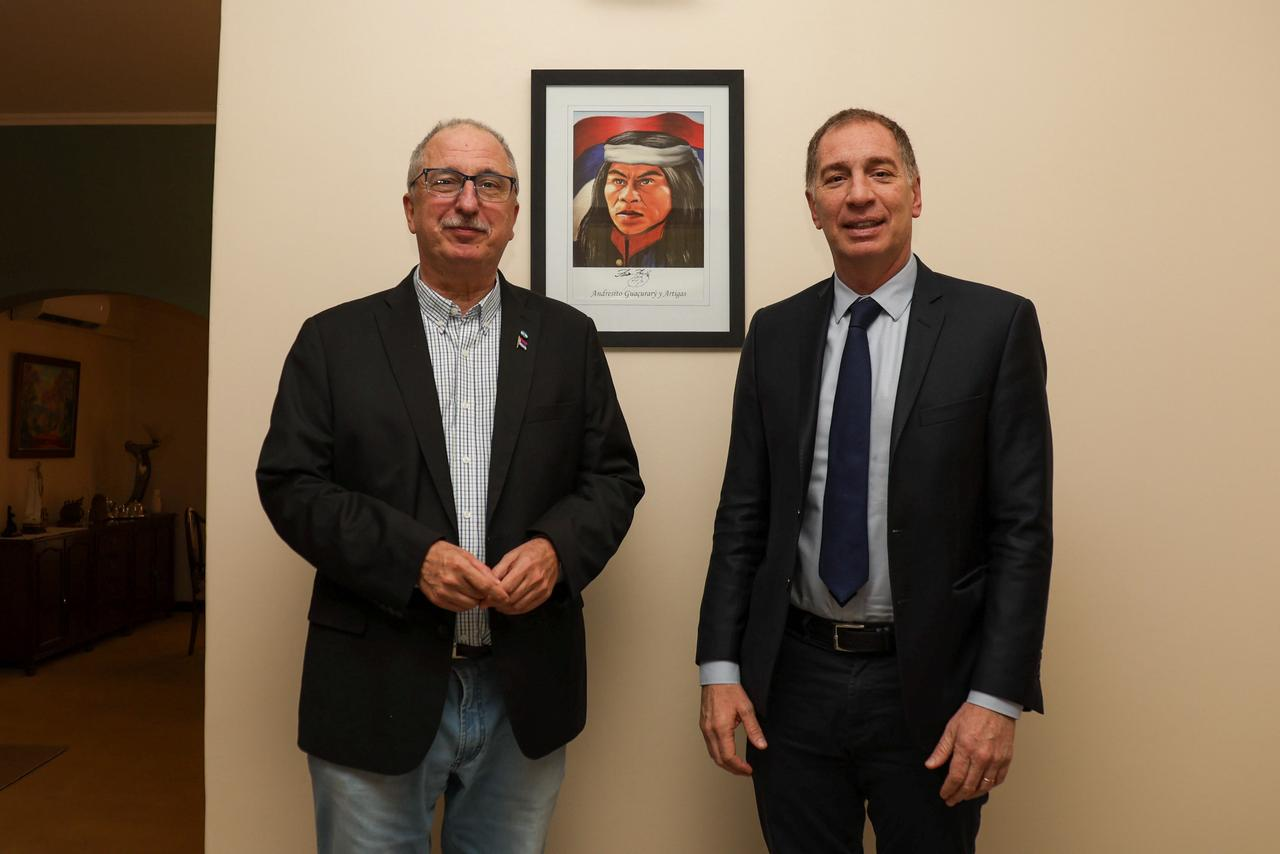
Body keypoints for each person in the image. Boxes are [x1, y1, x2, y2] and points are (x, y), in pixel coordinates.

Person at [257, 118, 644, 854]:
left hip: (523, 691)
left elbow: (614, 479)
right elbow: (291, 484)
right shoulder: (333, 341)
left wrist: (556, 551)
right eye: (446, 181)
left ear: (513, 214)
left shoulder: (567, 338)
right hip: (374, 683)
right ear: (411, 208)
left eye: (489, 184)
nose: (468, 202)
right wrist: (413, 561)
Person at [696, 108, 1052, 853]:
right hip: (792, 681)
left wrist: (997, 698)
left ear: (914, 194)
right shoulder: (775, 332)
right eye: (836, 178)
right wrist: (720, 669)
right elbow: (743, 515)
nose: (859, 194)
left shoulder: (995, 327)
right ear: (814, 207)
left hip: (933, 686)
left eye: (879, 172)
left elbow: (1021, 530)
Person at [573, 130, 704, 268]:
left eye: (646, 181)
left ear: (679, 188)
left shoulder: (703, 257)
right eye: (618, 181)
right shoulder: (576, 255)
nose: (628, 197)